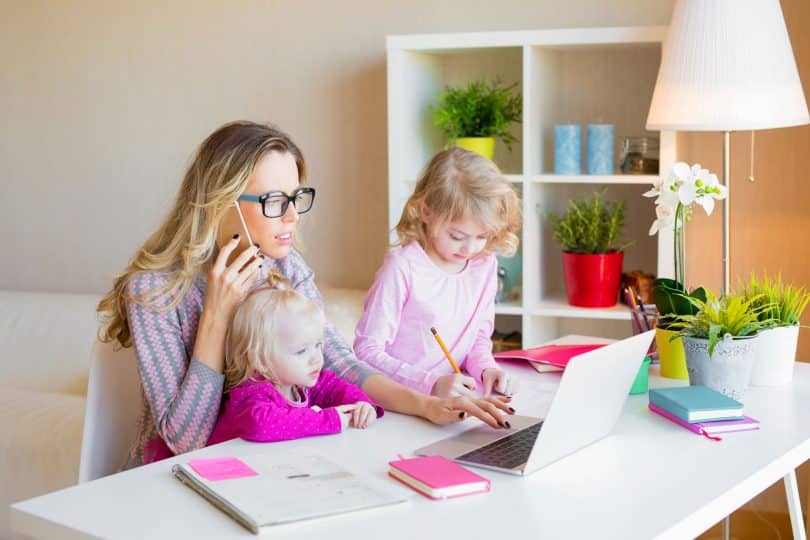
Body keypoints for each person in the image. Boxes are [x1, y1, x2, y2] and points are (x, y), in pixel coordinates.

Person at [97, 121, 512, 469]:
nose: (293, 216)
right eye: (275, 201)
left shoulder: (285, 267)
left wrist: (424, 404)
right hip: (176, 482)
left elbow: (343, 364)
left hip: (270, 464)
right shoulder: (155, 291)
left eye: (296, 197)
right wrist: (216, 315)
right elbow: (186, 440)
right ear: (220, 202)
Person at [354, 147, 521, 400]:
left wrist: (487, 369)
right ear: (426, 211)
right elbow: (366, 351)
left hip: (452, 402)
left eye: (482, 236)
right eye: (457, 236)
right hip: (402, 403)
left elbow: (477, 338)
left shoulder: (484, 264)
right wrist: (430, 384)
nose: (470, 248)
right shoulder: (402, 268)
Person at [206, 274, 381, 447]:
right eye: (301, 351)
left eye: (318, 345)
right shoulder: (251, 393)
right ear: (260, 360)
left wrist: (362, 405)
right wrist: (328, 420)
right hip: (224, 470)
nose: (316, 359)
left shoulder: (300, 382)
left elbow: (335, 387)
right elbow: (261, 425)